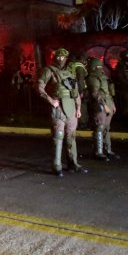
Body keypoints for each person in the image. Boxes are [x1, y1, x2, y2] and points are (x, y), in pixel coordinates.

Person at [38, 47, 87, 177]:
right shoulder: (49, 70)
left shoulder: (70, 72)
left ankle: (73, 164)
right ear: (55, 58)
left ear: (66, 58)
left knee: (71, 136)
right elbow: (39, 87)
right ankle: (57, 166)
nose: (60, 59)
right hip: (58, 108)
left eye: (63, 57)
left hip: (71, 108)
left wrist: (78, 108)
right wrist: (50, 100)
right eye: (58, 57)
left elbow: (75, 92)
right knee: (58, 137)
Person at [86, 57, 118, 160]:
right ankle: (98, 152)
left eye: (101, 66)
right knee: (99, 128)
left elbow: (108, 92)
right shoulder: (92, 77)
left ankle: (108, 150)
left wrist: (112, 104)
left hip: (108, 103)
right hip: (99, 106)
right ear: (93, 67)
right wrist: (105, 106)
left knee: (106, 128)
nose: (100, 68)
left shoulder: (103, 76)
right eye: (98, 66)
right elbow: (95, 94)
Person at [68, 53, 89, 126]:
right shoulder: (80, 66)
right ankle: (83, 123)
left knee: (75, 106)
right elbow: (80, 80)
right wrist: (82, 91)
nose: (86, 62)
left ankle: (76, 122)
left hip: (72, 88)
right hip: (79, 89)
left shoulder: (72, 65)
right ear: (82, 59)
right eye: (85, 60)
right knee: (82, 106)